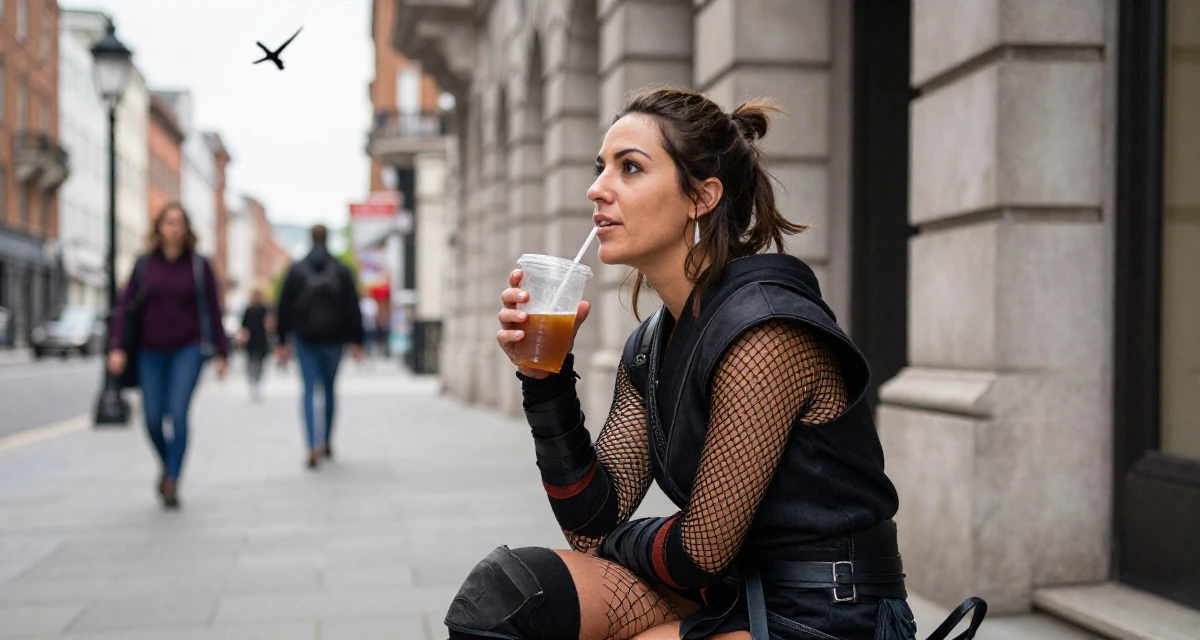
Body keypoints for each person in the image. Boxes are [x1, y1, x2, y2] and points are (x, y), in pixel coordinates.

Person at [449, 88, 986, 640]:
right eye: (600, 167)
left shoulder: (766, 333)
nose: (597, 188)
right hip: (730, 589)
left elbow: (700, 551)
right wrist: (546, 381)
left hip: (822, 613)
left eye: (629, 168)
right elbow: (591, 522)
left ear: (701, 197)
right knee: (504, 599)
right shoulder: (650, 346)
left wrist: (616, 542)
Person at [107, 203, 229, 509]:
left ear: (187, 229)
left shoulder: (199, 265)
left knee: (178, 414)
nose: (174, 229)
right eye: (169, 222)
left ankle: (173, 479)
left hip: (188, 349)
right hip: (149, 351)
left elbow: (214, 310)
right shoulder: (144, 264)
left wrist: (222, 352)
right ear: (159, 227)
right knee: (151, 419)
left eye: (179, 223)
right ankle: (167, 463)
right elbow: (124, 308)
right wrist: (116, 346)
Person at [275, 224, 365, 469]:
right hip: (334, 339)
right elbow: (353, 307)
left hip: (305, 340)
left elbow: (283, 307)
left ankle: (311, 445)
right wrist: (357, 341)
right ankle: (325, 440)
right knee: (329, 390)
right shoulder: (341, 270)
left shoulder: (296, 270)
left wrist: (281, 340)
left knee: (307, 390)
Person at [238, 287, 272, 401]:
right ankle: (256, 381)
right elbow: (269, 325)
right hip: (261, 339)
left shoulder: (248, 310)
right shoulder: (264, 309)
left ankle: (252, 380)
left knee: (251, 361)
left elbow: (244, 327)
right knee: (260, 363)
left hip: (251, 340)